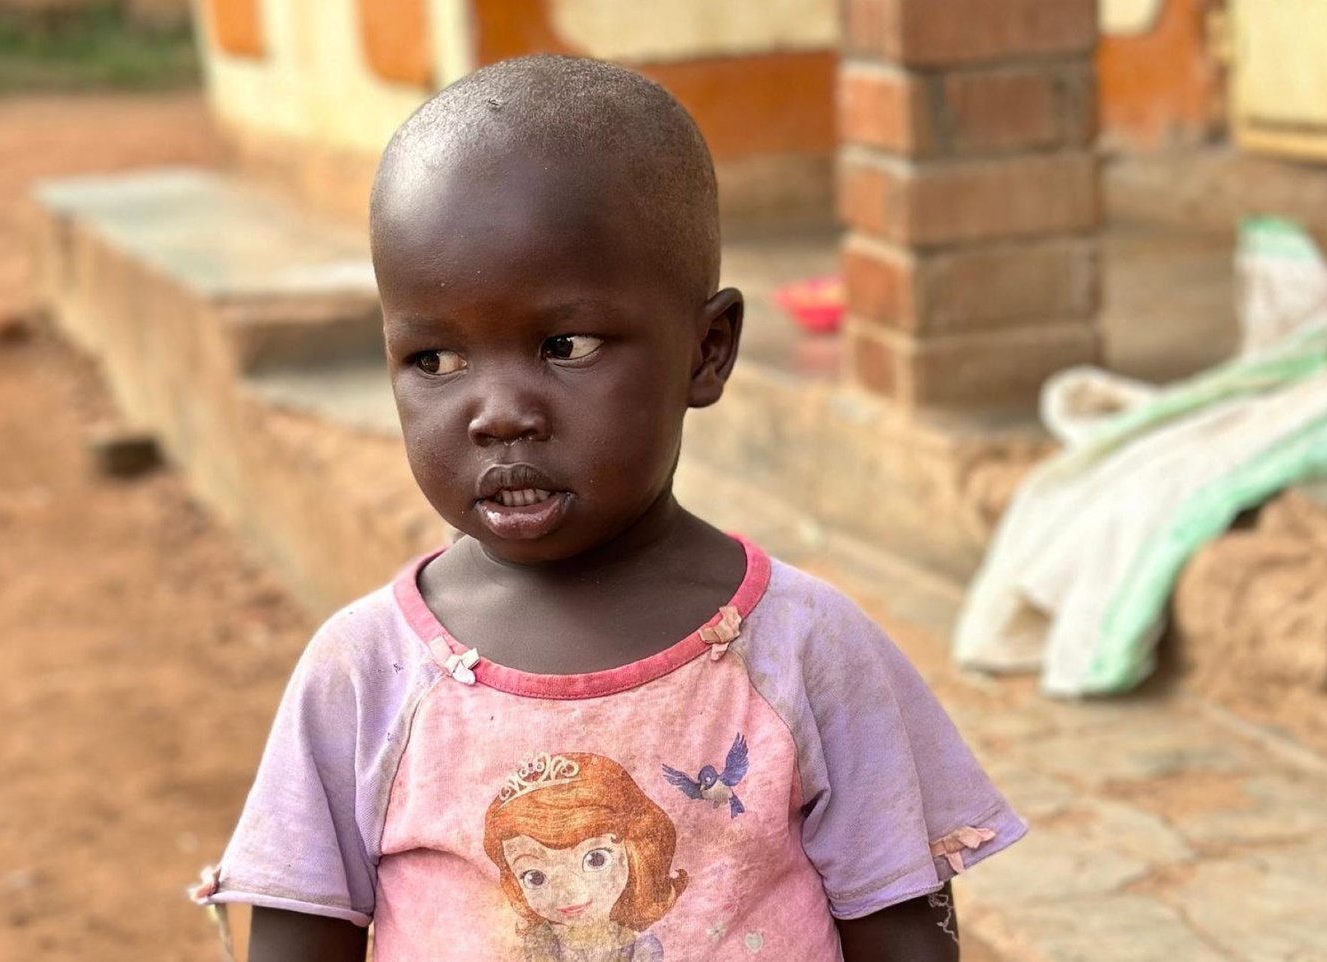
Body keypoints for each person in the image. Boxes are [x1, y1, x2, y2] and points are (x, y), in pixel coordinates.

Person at [194, 54, 1025, 962]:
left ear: (707, 352)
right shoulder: (366, 676)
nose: (498, 412)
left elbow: (904, 930)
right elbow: (295, 940)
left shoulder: (805, 653)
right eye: (434, 360)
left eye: (566, 343)